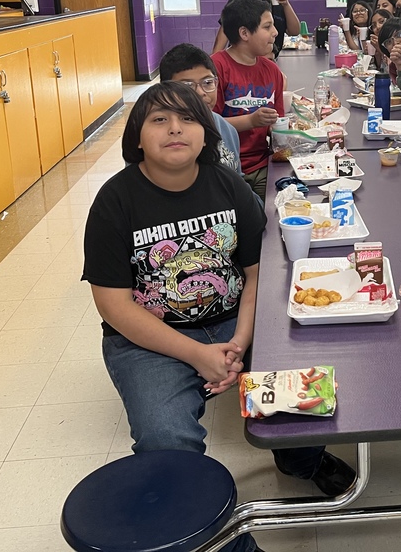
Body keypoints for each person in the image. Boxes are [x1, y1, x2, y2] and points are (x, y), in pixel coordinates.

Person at [81, 81, 264, 552]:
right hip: (148, 339)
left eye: (187, 119)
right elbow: (115, 306)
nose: (175, 129)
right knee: (165, 439)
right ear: (137, 138)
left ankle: (303, 462)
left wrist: (240, 340)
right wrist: (198, 354)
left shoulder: (230, 186)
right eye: (158, 120)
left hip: (232, 320)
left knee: (301, 377)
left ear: (207, 134)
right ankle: (224, 546)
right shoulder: (114, 202)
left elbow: (255, 275)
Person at [211, 0, 285, 199]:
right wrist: (251, 121)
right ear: (244, 33)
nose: (275, 33)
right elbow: (207, 125)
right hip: (224, 168)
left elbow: (277, 123)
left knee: (267, 218)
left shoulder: (272, 71)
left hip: (262, 165)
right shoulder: (215, 69)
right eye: (267, 27)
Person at [159, 43, 242, 174]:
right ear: (165, 91)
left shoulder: (228, 130)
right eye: (187, 86)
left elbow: (238, 182)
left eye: (208, 83)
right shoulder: (157, 136)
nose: (200, 92)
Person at [378, 16, 401, 86]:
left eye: (398, 35)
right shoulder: (393, 67)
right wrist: (400, 66)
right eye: (389, 42)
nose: (395, 43)